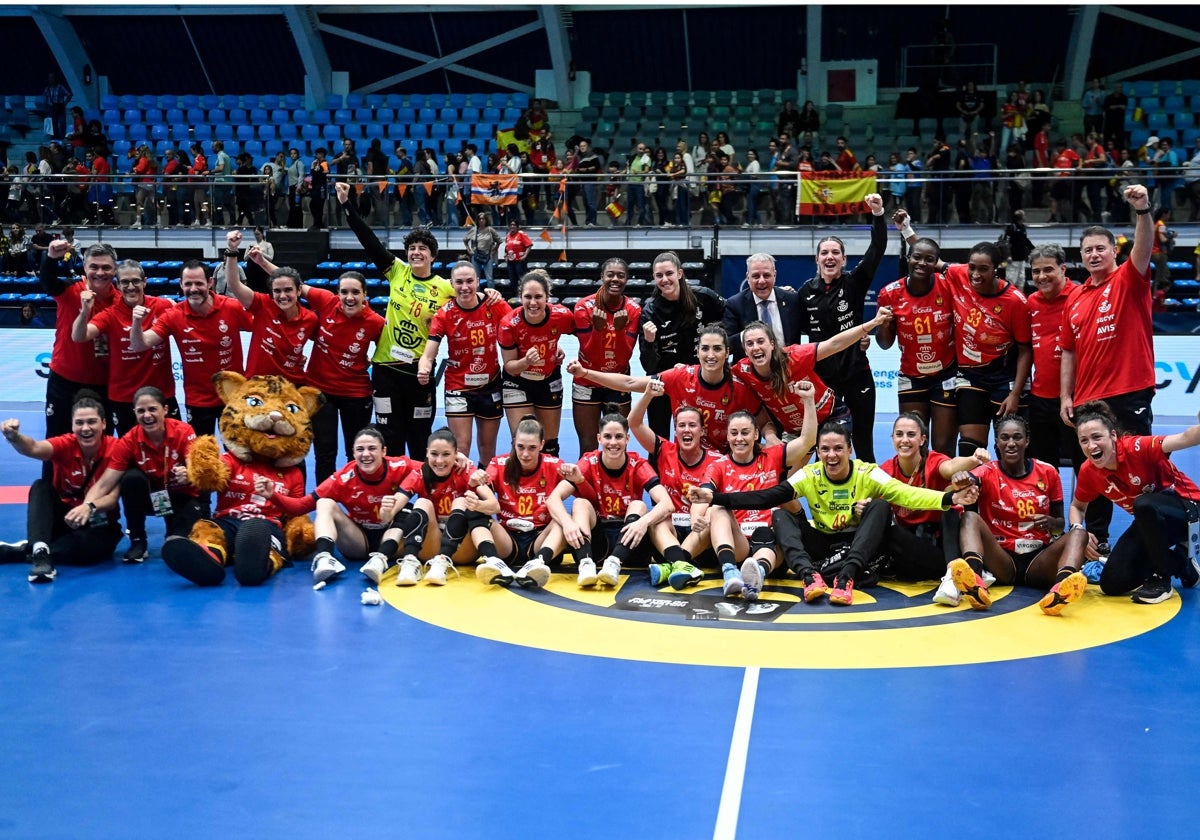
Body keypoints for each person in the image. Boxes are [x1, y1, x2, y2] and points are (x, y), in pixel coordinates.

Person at [691, 420, 980, 606]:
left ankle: (846, 578)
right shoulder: (810, 474)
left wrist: (949, 497)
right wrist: (716, 497)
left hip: (858, 546)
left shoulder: (868, 472)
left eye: (838, 449)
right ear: (818, 451)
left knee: (879, 506)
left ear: (849, 450)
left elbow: (908, 494)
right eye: (825, 449)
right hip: (822, 544)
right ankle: (808, 578)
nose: (831, 455)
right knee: (780, 514)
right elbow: (768, 496)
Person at [337, 181, 486, 461]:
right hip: (386, 370)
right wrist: (347, 204)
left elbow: (473, 300)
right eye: (412, 248)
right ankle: (395, 500)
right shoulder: (396, 272)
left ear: (432, 254)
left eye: (422, 248)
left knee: (419, 438)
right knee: (390, 437)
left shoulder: (446, 288)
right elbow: (368, 239)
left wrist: (491, 294)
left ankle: (424, 500)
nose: (416, 252)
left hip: (421, 373)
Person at [1059, 185, 1155, 551]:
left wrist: (1143, 210)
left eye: (1101, 248)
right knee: (1096, 472)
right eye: (1088, 250)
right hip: (1088, 402)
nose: (1095, 254)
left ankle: (1156, 540)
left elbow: (1143, 249)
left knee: (1142, 471)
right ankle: (1094, 544)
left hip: (1129, 392)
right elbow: (1068, 351)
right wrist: (1066, 395)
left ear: (1115, 251)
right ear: (1081, 257)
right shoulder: (1076, 298)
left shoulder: (1130, 278)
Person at [947, 415, 1091, 616]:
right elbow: (965, 481)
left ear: (1027, 440)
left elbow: (1060, 525)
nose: (1011, 443)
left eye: (1017, 437)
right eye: (1004, 438)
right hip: (1002, 559)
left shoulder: (1048, 472)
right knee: (969, 518)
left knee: (1080, 533)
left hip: (1039, 560)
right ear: (996, 442)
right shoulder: (987, 471)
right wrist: (959, 478)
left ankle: (1059, 593)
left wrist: (1051, 523)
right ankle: (976, 584)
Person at [688, 399, 820, 600]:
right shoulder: (719, 465)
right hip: (739, 544)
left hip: (771, 547)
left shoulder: (773, 456)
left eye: (745, 432)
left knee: (772, 528)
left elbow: (807, 441)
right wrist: (696, 518)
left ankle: (756, 574)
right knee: (718, 508)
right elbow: (703, 496)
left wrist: (809, 401)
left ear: (756, 434)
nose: (739, 438)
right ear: (728, 436)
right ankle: (730, 570)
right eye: (734, 433)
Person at [1071, 401, 1200, 605]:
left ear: (1113, 436)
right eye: (1084, 440)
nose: (1091, 446)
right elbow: (1077, 507)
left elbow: (1185, 438)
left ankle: (1161, 579)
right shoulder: (1089, 471)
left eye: (1097, 437)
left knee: (1143, 504)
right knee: (1112, 583)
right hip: (1151, 524)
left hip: (1189, 511)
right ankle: (1181, 562)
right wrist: (1079, 531)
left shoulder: (1136, 448)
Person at [568, 323, 761, 454]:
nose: (711, 355)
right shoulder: (681, 376)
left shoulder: (739, 387)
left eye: (718, 349)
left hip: (724, 463)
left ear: (727, 352)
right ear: (698, 351)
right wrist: (585, 373)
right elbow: (630, 383)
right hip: (685, 460)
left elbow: (764, 423)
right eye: (705, 348)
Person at [797, 193, 888, 461]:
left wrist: (878, 214)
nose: (830, 256)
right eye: (824, 252)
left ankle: (871, 502)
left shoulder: (854, 283)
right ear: (817, 260)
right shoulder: (804, 293)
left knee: (864, 447)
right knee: (824, 448)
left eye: (835, 252)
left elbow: (877, 249)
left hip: (858, 376)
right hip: (824, 383)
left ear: (844, 259)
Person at [547, 406, 677, 588]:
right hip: (599, 543)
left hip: (632, 544)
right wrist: (567, 523)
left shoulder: (638, 464)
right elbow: (553, 498)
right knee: (580, 503)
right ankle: (586, 564)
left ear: (627, 439)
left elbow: (667, 504)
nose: (613, 442)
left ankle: (614, 563)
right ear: (599, 438)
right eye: (607, 437)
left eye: (618, 437)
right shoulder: (588, 460)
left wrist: (643, 522)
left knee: (639, 505)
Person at [0, 391, 122, 583]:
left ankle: (31, 549)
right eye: (79, 423)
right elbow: (33, 447)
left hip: (99, 523)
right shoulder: (65, 443)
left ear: (104, 424)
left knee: (84, 552)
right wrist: (14, 437)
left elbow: (112, 498)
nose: (85, 428)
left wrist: (88, 507)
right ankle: (41, 553)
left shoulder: (117, 449)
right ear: (72, 425)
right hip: (64, 519)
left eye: (92, 422)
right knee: (40, 486)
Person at [80, 386, 206, 563]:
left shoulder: (184, 431)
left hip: (180, 497)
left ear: (165, 409)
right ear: (135, 413)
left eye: (152, 409)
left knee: (176, 547)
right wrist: (87, 505)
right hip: (151, 499)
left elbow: (197, 467)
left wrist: (190, 474)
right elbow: (105, 483)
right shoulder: (129, 440)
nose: (147, 415)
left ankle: (175, 533)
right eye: (141, 411)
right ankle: (138, 541)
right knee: (131, 478)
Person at [129, 259, 252, 439]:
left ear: (210, 282)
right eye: (188, 284)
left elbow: (262, 327)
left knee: (240, 453)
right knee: (201, 455)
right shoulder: (173, 315)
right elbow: (140, 344)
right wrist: (137, 323)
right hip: (198, 400)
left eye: (199, 283)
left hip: (234, 396)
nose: (193, 289)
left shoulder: (231, 307)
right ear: (181, 284)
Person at [732, 312, 893, 445]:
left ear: (772, 344)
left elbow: (834, 344)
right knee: (782, 477)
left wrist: (872, 323)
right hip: (795, 431)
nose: (756, 347)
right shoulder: (741, 370)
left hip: (830, 416)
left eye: (761, 341)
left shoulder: (794, 357)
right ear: (745, 350)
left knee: (829, 463)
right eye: (750, 344)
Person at [302, 426, 429, 587]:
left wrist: (457, 457)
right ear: (353, 454)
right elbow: (302, 505)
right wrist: (271, 495)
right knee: (324, 502)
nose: (366, 454)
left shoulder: (400, 465)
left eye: (372, 448)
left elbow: (435, 466)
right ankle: (325, 558)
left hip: (393, 538)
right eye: (360, 449)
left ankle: (380, 559)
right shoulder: (343, 477)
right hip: (358, 541)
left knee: (409, 507)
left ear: (384, 451)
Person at [876, 412, 986, 592]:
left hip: (942, 547)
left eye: (911, 435)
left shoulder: (933, 461)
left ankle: (953, 576)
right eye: (899, 434)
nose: (904, 440)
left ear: (922, 439)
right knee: (879, 514)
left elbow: (950, 467)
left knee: (950, 507)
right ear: (892, 438)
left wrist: (973, 460)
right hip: (911, 550)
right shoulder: (886, 470)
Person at [627, 382, 722, 585]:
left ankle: (677, 564)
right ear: (675, 430)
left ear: (702, 431)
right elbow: (634, 422)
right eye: (681, 425)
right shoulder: (664, 450)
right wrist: (647, 396)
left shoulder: (717, 460)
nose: (686, 430)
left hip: (701, 540)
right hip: (668, 538)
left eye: (692, 425)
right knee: (656, 518)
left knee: (714, 515)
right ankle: (680, 564)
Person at [419, 260, 510, 469]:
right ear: (452, 284)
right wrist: (424, 367)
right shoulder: (444, 314)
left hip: (491, 385)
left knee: (488, 449)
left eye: (470, 281)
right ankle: (460, 499)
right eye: (459, 282)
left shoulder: (494, 305)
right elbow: (428, 353)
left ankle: (484, 497)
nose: (465, 287)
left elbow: (519, 327)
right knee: (461, 448)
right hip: (458, 387)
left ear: (478, 282)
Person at [875, 223, 958, 456]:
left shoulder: (948, 287)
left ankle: (944, 493)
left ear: (936, 263)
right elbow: (884, 344)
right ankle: (915, 492)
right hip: (911, 376)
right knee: (913, 446)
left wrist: (908, 229)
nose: (922, 263)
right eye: (917, 258)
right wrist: (885, 325)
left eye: (929, 259)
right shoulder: (889, 293)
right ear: (908, 259)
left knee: (943, 447)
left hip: (946, 375)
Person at [72, 259, 178, 437]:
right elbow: (79, 336)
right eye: (125, 282)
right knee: (130, 454)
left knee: (172, 446)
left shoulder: (163, 306)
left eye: (136, 281)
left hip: (162, 395)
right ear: (118, 285)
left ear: (144, 282)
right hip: (124, 398)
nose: (131, 287)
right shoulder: (110, 314)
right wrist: (84, 312)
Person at [469, 416, 570, 589]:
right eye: (520, 447)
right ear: (514, 442)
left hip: (540, 539)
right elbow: (477, 489)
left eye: (532, 448)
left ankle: (539, 563)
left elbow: (583, 491)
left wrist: (578, 478)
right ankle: (493, 561)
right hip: (507, 540)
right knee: (473, 512)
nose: (525, 454)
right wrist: (475, 482)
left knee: (564, 519)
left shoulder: (554, 465)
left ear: (542, 445)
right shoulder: (499, 464)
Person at [637, 251, 726, 438]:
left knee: (699, 436)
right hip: (664, 383)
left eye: (669, 273)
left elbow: (733, 315)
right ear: (654, 278)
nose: (665, 279)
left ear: (680, 273)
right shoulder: (650, 312)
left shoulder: (705, 297)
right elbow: (649, 366)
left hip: (699, 381)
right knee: (658, 439)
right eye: (659, 275)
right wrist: (649, 341)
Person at [394, 428, 496, 584]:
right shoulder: (419, 472)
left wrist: (477, 504)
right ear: (427, 453)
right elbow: (394, 506)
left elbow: (494, 506)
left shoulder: (466, 470)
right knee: (422, 503)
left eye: (446, 454)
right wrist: (387, 511)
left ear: (456, 454)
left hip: (461, 548)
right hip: (431, 544)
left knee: (461, 501)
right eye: (434, 454)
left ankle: (443, 560)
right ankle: (410, 561)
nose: (440, 461)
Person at [39, 241, 118, 436]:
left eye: (106, 267)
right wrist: (50, 258)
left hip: (105, 385)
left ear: (115, 269)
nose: (100, 272)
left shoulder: (121, 301)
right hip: (64, 383)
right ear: (84, 267)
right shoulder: (69, 290)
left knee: (103, 446)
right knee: (56, 445)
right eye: (94, 267)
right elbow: (47, 280)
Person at [221, 230, 317, 387]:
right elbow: (234, 285)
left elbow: (328, 343)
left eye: (288, 290)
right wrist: (232, 250)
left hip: (291, 388)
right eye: (277, 291)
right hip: (257, 387)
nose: (282, 295)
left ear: (299, 291)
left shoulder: (310, 319)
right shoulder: (262, 305)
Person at [498, 270, 575, 455]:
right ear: (520, 297)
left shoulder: (561, 315)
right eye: (528, 297)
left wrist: (559, 349)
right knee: (522, 442)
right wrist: (525, 362)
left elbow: (586, 334)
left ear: (547, 297)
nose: (533, 303)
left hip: (548, 380)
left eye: (538, 297)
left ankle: (550, 483)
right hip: (517, 381)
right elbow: (509, 366)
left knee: (549, 445)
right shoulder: (509, 323)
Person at [569, 258, 641, 453]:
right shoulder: (583, 307)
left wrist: (618, 331)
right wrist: (598, 331)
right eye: (610, 274)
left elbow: (624, 357)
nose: (615, 279)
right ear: (602, 277)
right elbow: (589, 354)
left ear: (627, 279)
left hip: (616, 380)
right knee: (588, 445)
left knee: (617, 444)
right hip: (586, 380)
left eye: (621, 275)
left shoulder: (633, 309)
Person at [722, 252, 805, 359]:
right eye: (756, 276)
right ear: (748, 277)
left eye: (766, 275)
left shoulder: (792, 300)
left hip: (789, 366)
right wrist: (748, 335)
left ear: (774, 275)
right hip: (750, 371)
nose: (761, 281)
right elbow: (727, 344)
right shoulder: (735, 304)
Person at [464, 212, 502, 285]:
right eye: (480, 219)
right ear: (477, 220)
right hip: (476, 256)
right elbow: (465, 240)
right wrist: (468, 250)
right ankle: (477, 294)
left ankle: (491, 295)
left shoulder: (490, 230)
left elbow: (499, 240)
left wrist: (495, 249)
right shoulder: (474, 230)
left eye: (483, 219)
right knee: (475, 278)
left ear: (486, 220)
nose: (481, 221)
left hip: (487, 256)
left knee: (489, 278)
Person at [42, 72, 72, 139]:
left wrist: (65, 103)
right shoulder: (47, 89)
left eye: (52, 78)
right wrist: (46, 109)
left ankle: (62, 137)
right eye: (49, 78)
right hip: (51, 107)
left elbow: (69, 95)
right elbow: (45, 100)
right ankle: (55, 138)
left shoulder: (60, 87)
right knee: (53, 124)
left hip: (59, 106)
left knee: (62, 124)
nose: (51, 79)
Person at [503, 219, 533, 285]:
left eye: (514, 225)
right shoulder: (508, 235)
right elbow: (507, 247)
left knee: (522, 279)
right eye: (511, 225)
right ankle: (514, 294)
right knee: (512, 279)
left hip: (519, 261)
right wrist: (505, 255)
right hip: (510, 261)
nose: (512, 226)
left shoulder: (521, 234)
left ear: (517, 226)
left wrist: (525, 255)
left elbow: (529, 245)